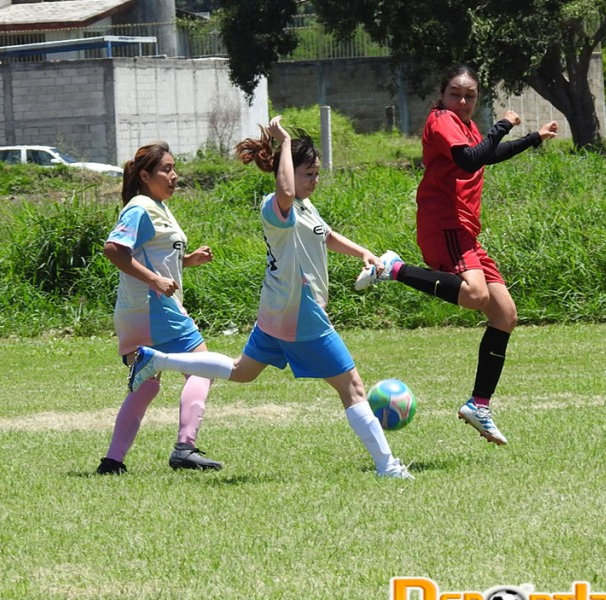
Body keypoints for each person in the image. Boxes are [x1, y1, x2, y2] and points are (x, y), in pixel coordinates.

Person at [126, 116, 413, 479]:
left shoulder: (305, 207)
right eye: (307, 173)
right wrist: (286, 142)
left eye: (316, 173)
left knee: (240, 371)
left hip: (277, 309)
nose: (314, 180)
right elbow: (287, 193)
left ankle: (158, 359)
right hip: (299, 311)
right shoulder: (275, 206)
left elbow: (325, 235)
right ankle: (388, 467)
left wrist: (363, 253)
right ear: (287, 172)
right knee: (352, 387)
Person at [355, 63, 558, 446]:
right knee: (476, 296)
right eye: (456, 94)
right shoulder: (441, 120)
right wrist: (503, 124)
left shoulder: (466, 126)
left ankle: (479, 405)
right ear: (442, 95)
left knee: (504, 315)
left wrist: (533, 137)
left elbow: (485, 155)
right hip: (445, 222)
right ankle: (394, 268)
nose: (463, 101)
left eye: (469, 96)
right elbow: (467, 159)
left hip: (466, 230)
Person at [95, 142, 223, 474]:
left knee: (146, 384)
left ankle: (112, 461)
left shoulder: (157, 206)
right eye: (166, 169)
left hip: (140, 311)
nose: (174, 175)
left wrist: (188, 260)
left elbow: (153, 255)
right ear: (145, 175)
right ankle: (185, 448)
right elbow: (113, 250)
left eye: (173, 168)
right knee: (204, 368)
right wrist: (154, 280)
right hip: (155, 310)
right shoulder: (140, 207)